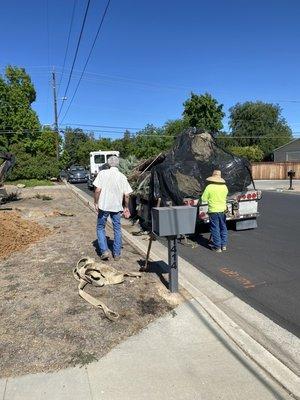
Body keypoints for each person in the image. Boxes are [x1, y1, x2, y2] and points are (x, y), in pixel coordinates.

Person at [93, 155, 132, 261]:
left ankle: (104, 251)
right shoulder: (122, 176)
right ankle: (117, 253)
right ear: (118, 164)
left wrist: (96, 202)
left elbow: (97, 190)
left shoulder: (102, 173)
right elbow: (127, 195)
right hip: (116, 207)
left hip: (104, 206)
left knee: (101, 227)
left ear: (108, 163)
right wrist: (126, 207)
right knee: (117, 229)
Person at [201, 170, 228, 253]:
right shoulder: (224, 187)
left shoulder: (209, 187)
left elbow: (203, 199)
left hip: (213, 210)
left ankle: (217, 247)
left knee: (215, 228)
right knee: (223, 227)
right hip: (223, 210)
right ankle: (224, 245)